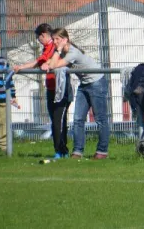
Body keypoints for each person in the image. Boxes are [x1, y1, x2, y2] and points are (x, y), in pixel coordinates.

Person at [43, 28, 110, 160]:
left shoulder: (72, 53)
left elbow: (54, 65)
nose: (54, 42)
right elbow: (50, 63)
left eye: (57, 39)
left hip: (97, 82)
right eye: (53, 39)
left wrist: (55, 54)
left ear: (65, 39)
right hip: (84, 84)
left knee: (100, 119)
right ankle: (77, 151)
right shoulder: (63, 52)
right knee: (78, 119)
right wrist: (47, 63)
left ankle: (102, 151)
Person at [14, 24, 70, 159]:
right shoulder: (46, 48)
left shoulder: (55, 46)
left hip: (60, 89)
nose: (38, 41)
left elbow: (59, 58)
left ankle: (61, 151)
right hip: (51, 88)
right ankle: (61, 150)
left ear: (43, 35)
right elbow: (38, 62)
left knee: (58, 122)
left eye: (38, 38)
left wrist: (49, 63)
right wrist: (21, 67)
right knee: (56, 121)